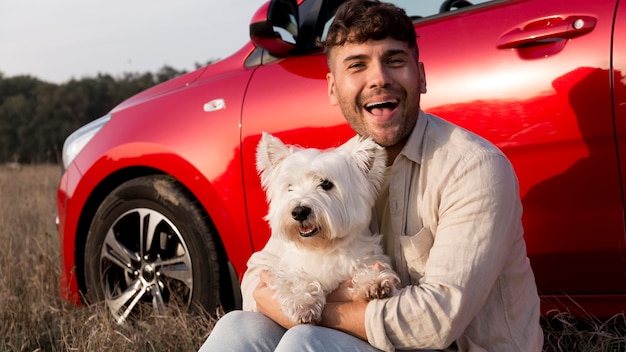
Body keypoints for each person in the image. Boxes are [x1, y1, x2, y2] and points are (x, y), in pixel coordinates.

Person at [199, 0, 543, 350]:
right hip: (371, 341)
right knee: (237, 327)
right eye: (357, 66)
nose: (378, 79)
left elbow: (436, 323)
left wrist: (316, 309)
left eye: (394, 61)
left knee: (304, 341)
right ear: (333, 88)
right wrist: (325, 296)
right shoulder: (338, 168)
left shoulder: (473, 167)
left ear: (421, 76)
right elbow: (258, 279)